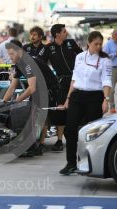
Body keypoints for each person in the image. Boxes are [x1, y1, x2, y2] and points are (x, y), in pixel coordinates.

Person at [59, 31, 112, 175]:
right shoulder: (79, 57)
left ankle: (91, 163)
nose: (98, 46)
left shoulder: (105, 60)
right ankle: (71, 163)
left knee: (93, 132)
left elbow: (107, 81)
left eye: (101, 44)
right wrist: (68, 99)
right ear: (88, 43)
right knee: (70, 129)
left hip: (95, 97)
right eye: (96, 44)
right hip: (77, 96)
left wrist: (106, 100)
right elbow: (74, 79)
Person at [3, 40, 58, 156]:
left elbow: (32, 88)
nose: (10, 57)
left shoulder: (28, 62)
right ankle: (32, 143)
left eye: (12, 54)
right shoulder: (19, 63)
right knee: (33, 115)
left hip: (50, 88)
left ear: (19, 51)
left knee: (40, 116)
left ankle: (39, 145)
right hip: (39, 89)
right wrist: (3, 102)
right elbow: (12, 86)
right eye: (9, 54)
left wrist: (17, 100)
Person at [38, 23, 83, 152]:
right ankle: (59, 140)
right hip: (62, 82)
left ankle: (76, 136)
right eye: (64, 31)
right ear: (57, 34)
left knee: (76, 109)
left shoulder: (71, 43)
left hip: (77, 80)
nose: (66, 33)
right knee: (61, 110)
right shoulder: (48, 47)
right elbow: (40, 63)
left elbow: (83, 57)